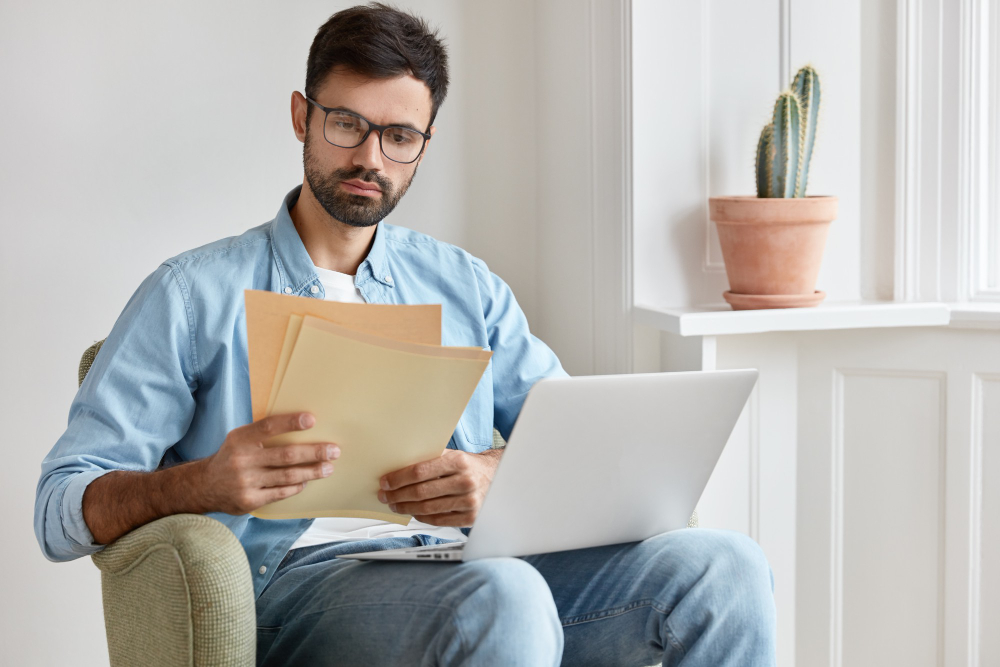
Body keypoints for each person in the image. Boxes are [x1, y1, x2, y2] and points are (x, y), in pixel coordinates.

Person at [34, 3, 777, 665]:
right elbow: (60, 508)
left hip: (465, 560)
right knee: (503, 594)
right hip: (294, 585)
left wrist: (493, 474)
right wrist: (202, 481)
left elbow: (573, 444)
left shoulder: (466, 285)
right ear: (302, 116)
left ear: (424, 142)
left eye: (399, 136)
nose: (369, 158)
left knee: (726, 568)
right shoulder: (191, 293)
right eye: (347, 124)